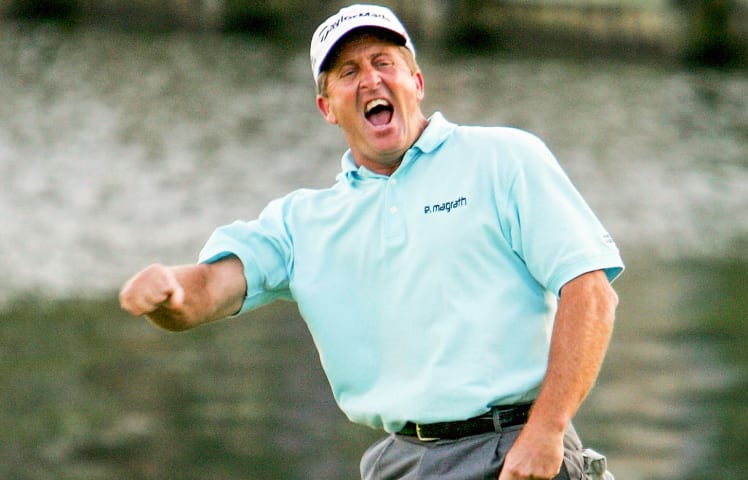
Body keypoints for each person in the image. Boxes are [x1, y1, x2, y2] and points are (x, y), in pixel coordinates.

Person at [119, 4, 624, 479]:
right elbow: (207, 289)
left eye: (384, 62)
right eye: (349, 72)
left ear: (416, 82)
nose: (371, 79)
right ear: (327, 108)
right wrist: (170, 293)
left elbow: (591, 291)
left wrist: (547, 429)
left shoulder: (504, 158)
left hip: (514, 449)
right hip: (399, 461)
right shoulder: (302, 223)